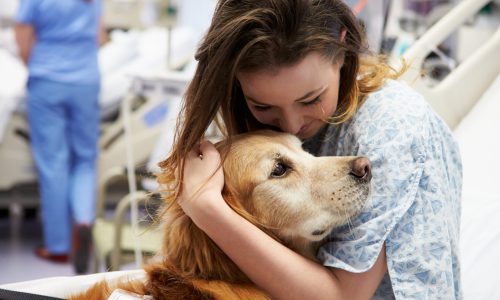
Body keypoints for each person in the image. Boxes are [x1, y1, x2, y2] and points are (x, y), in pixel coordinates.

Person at [159, 0, 462, 299]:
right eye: (262, 105)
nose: (290, 125)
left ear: (342, 50)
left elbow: (341, 297)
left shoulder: (393, 126)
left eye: (310, 99)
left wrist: (205, 208)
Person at [14, 0, 105, 274]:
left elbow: (22, 37)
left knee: (54, 163)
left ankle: (58, 247)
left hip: (47, 79)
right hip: (87, 81)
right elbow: (99, 37)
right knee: (85, 160)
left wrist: (38, 65)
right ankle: (85, 222)